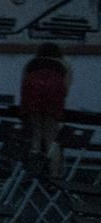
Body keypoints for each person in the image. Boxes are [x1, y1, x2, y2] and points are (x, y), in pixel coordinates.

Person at [19, 43, 73, 174]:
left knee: (35, 136)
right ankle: (53, 175)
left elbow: (23, 84)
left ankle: (33, 172)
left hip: (32, 102)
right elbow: (65, 88)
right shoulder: (64, 65)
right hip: (53, 103)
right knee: (52, 139)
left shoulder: (32, 63)